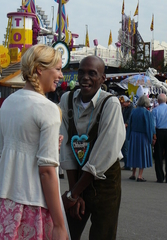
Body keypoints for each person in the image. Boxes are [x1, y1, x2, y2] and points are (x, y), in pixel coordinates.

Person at [0, 44, 69, 240]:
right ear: (40, 69)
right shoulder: (47, 108)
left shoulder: (9, 103)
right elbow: (47, 172)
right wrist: (59, 224)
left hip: (5, 203)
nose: (62, 75)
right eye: (57, 69)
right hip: (34, 204)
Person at [60, 55, 125, 240]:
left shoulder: (110, 104)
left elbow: (103, 153)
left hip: (105, 181)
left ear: (102, 78)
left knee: (102, 234)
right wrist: (74, 194)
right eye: (81, 72)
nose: (85, 77)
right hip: (78, 178)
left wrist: (73, 193)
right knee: (66, 232)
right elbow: (65, 146)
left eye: (92, 73)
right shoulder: (67, 99)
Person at [126, 95, 156, 182]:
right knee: (142, 155)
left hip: (134, 135)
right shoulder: (147, 113)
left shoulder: (134, 111)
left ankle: (133, 174)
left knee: (134, 154)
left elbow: (130, 124)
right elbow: (149, 127)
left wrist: (129, 135)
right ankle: (140, 175)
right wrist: (151, 137)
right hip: (143, 136)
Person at [152, 93, 167, 183]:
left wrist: (154, 136)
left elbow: (153, 125)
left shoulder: (155, 110)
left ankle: (160, 177)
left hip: (159, 132)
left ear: (158, 101)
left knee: (158, 155)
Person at [119, 95, 134, 170]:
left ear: (127, 102)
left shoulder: (131, 108)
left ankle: (128, 165)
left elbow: (129, 120)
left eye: (123, 103)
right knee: (124, 148)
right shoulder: (125, 108)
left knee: (125, 148)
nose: (122, 104)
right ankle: (127, 164)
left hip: (127, 130)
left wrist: (124, 125)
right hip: (125, 129)